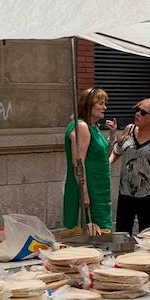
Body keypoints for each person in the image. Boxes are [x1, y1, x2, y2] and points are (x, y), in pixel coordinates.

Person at [111, 97, 150, 234]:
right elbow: (117, 151)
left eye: (143, 112)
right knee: (122, 232)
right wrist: (106, 163)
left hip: (149, 193)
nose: (138, 114)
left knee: (148, 233)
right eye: (137, 110)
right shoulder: (129, 130)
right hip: (126, 191)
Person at [62, 88, 116, 233]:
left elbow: (103, 158)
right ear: (89, 105)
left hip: (99, 188)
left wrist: (112, 136)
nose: (105, 107)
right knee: (92, 234)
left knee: (100, 233)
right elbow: (78, 163)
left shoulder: (94, 127)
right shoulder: (82, 127)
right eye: (101, 103)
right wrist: (84, 193)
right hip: (90, 189)